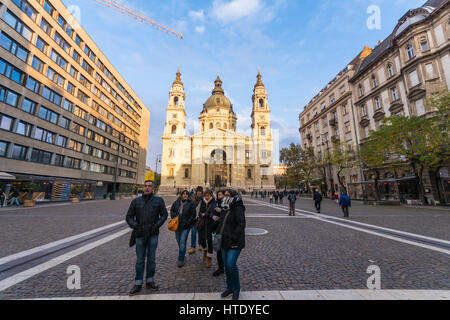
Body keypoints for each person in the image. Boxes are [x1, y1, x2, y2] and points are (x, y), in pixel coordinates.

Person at [126, 180, 168, 296]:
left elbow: (164, 215)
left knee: (151, 259)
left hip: (152, 233)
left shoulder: (158, 200)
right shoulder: (136, 201)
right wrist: (136, 226)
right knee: (139, 260)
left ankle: (150, 280)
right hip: (140, 234)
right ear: (143, 188)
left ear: (153, 188)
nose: (147, 188)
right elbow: (128, 217)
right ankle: (138, 282)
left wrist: (157, 225)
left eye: (149, 186)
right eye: (145, 186)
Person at [214, 191, 246, 301]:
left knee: (230, 263)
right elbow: (221, 223)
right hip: (223, 240)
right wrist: (217, 235)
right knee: (226, 266)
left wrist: (233, 237)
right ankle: (229, 287)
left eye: (228, 195)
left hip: (234, 241)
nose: (226, 197)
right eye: (225, 195)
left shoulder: (238, 208)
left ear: (233, 197)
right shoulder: (224, 207)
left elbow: (241, 224)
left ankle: (237, 288)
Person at [170, 190, 197, 267]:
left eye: (186, 194)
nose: (185, 195)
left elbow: (193, 214)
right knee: (179, 241)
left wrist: (188, 222)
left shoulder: (191, 203)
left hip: (186, 226)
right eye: (183, 194)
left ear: (188, 196)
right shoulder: (176, 202)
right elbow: (172, 210)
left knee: (182, 242)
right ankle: (183, 253)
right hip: (177, 225)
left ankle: (180, 259)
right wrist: (174, 216)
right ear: (181, 195)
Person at [197, 189, 216, 268]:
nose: (207, 197)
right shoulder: (202, 202)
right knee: (201, 240)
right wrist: (202, 214)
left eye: (208, 195)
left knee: (210, 241)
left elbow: (213, 212)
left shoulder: (213, 203)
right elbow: (199, 212)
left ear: (211, 195)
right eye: (205, 195)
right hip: (202, 224)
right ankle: (205, 250)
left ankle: (209, 258)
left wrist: (206, 215)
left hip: (209, 225)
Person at [212, 190, 225, 276]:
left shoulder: (228, 205)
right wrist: (213, 215)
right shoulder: (215, 203)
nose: (219, 196)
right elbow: (211, 212)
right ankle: (220, 268)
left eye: (220, 195)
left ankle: (226, 266)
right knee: (218, 249)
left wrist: (222, 212)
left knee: (224, 249)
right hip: (217, 229)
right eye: (218, 195)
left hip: (225, 229)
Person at [189, 186, 203, 255]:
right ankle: (193, 247)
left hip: (201, 219)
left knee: (200, 232)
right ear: (196, 192)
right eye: (198, 191)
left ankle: (200, 244)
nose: (199, 192)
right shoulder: (193, 199)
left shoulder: (204, 200)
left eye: (200, 191)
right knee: (193, 233)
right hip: (194, 219)